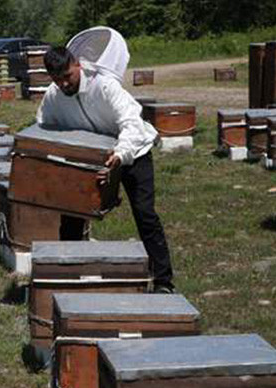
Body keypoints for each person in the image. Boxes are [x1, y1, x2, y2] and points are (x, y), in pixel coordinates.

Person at [37, 46, 175, 293]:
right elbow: (45, 128)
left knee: (145, 215)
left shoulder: (104, 85)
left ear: (77, 64)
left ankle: (163, 282)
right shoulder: (53, 96)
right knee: (71, 215)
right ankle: (68, 280)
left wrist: (121, 154)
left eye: (68, 76)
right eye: (58, 80)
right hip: (90, 158)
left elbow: (131, 122)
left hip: (133, 153)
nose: (65, 84)